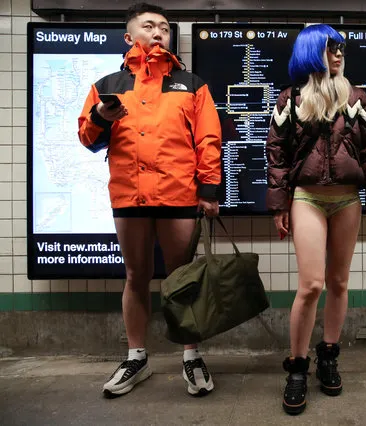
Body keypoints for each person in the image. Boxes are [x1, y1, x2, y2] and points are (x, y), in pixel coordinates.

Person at [77, 3, 222, 398]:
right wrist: (103, 117)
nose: (158, 32)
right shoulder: (108, 85)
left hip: (178, 194)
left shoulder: (192, 84)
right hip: (129, 194)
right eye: (149, 26)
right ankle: (136, 357)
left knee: (182, 279)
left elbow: (208, 138)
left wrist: (209, 190)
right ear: (129, 37)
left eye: (163, 27)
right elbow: (87, 139)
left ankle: (191, 355)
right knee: (135, 277)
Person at [266, 24, 366, 415]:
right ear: (310, 52)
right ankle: (298, 367)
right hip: (307, 199)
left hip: (348, 200)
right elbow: (277, 155)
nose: (338, 54)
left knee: (338, 282)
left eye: (340, 48)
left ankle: (329, 355)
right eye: (329, 48)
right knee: (312, 285)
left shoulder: (356, 98)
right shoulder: (290, 100)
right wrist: (279, 204)